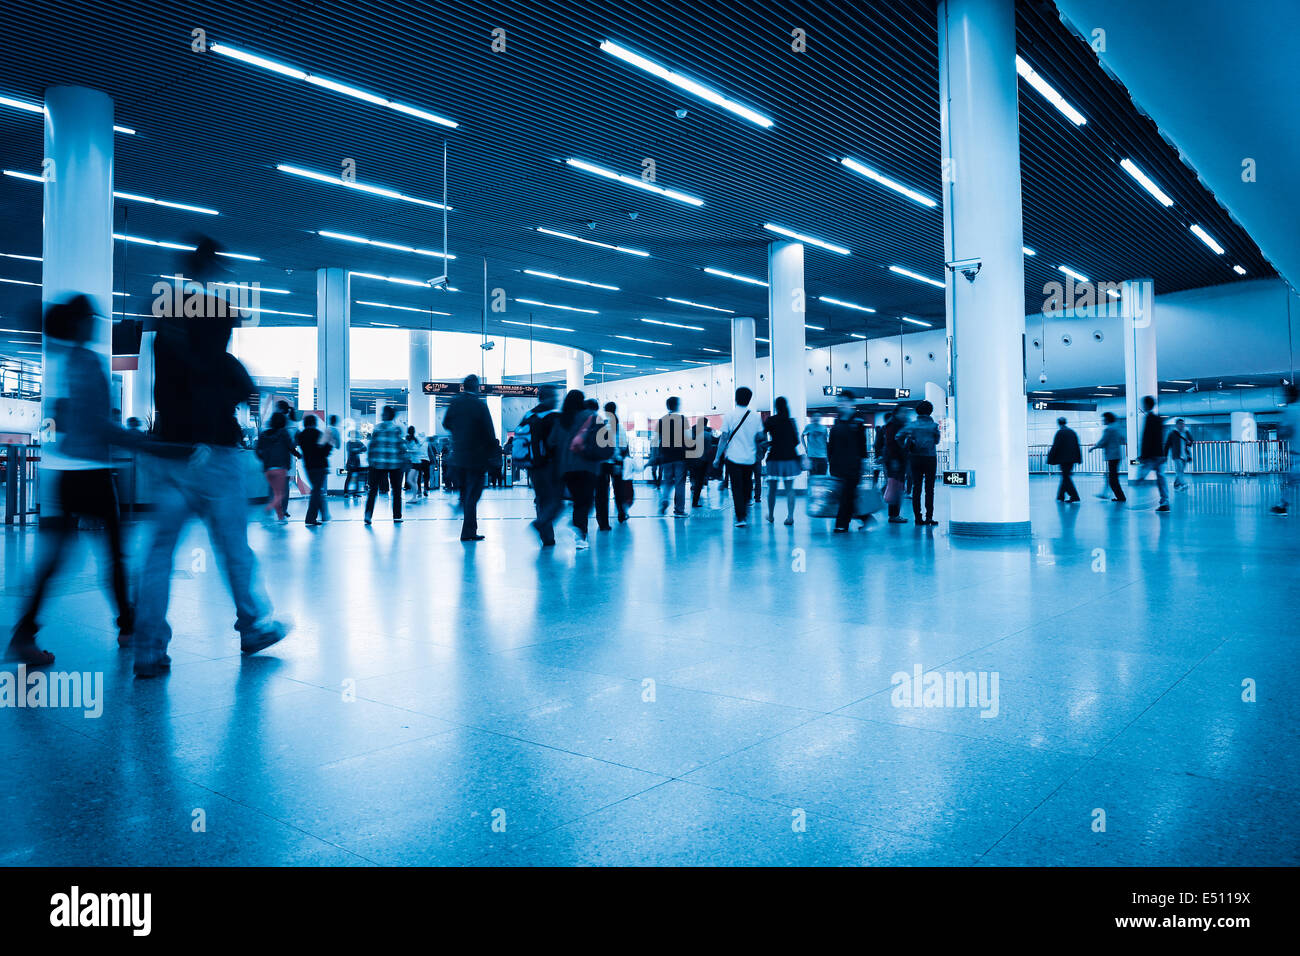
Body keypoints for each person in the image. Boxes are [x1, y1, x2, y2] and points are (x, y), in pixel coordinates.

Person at [133, 238, 287, 678]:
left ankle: (149, 649)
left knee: (159, 554)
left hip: (171, 451)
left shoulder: (164, 323)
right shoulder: (219, 330)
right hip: (215, 454)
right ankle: (253, 625)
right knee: (234, 548)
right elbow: (236, 381)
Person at [6, 297, 151, 666]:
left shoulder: (58, 361)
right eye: (91, 317)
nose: (96, 323)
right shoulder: (85, 362)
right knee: (113, 555)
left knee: (58, 560)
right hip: (90, 473)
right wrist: (144, 441)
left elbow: (64, 421)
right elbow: (95, 424)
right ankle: (127, 626)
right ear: (79, 323)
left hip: (63, 475)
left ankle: (26, 635)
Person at [442, 374, 496, 541]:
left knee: (467, 493)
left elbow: (446, 423)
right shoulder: (480, 405)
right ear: (477, 387)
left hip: (458, 457)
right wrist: (492, 453)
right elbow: (489, 432)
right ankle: (468, 531)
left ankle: (463, 512)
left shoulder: (455, 402)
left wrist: (459, 434)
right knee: (473, 495)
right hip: (476, 458)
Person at [548, 389, 600, 550]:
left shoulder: (560, 420)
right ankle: (579, 534)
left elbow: (551, 442)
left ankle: (577, 527)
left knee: (579, 500)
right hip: (587, 466)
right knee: (584, 502)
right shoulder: (591, 417)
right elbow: (603, 441)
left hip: (566, 468)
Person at [714, 387, 766, 527]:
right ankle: (746, 505)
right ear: (749, 399)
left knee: (736, 487)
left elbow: (724, 438)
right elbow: (761, 436)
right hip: (749, 458)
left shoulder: (729, 416)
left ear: (736, 398)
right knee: (747, 483)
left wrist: (717, 457)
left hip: (733, 457)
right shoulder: (755, 417)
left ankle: (740, 517)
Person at [520, 385, 562, 546]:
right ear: (548, 397)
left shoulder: (528, 415)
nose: (557, 400)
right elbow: (555, 442)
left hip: (532, 465)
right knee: (557, 501)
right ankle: (541, 524)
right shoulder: (552, 417)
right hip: (549, 465)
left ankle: (547, 537)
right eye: (555, 397)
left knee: (541, 499)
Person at [828, 391, 867, 533]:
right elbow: (831, 445)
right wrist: (830, 462)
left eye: (844, 401)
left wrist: (862, 465)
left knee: (847, 494)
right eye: (839, 401)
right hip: (837, 465)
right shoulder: (837, 422)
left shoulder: (858, 422)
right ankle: (864, 517)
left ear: (851, 403)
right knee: (846, 495)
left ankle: (842, 524)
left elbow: (862, 446)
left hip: (852, 466)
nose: (841, 404)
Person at [898, 400, 941, 526]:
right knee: (929, 489)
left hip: (915, 458)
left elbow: (898, 436)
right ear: (930, 411)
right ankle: (929, 518)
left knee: (917, 488)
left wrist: (906, 446)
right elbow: (937, 440)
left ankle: (918, 518)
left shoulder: (911, 425)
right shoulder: (933, 426)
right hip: (930, 458)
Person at [764, 396, 803, 526]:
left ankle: (770, 515)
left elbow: (762, 436)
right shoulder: (791, 421)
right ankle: (790, 517)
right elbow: (796, 441)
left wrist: (771, 442)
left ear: (776, 407)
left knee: (772, 489)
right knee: (789, 489)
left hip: (774, 457)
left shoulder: (770, 420)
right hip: (790, 458)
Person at [364, 405, 406, 525]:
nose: (381, 414)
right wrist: (403, 460)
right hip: (395, 464)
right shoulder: (397, 429)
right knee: (396, 491)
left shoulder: (377, 428)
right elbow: (401, 446)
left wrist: (370, 461)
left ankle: (368, 515)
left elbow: (372, 446)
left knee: (373, 490)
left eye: (383, 413)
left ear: (386, 415)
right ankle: (397, 516)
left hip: (378, 463)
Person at [256, 411, 296, 521]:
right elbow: (291, 447)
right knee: (280, 495)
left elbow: (258, 450)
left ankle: (281, 517)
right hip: (280, 468)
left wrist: (264, 459)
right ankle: (267, 509)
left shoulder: (264, 434)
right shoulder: (283, 433)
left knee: (276, 492)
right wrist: (299, 455)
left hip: (268, 469)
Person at [1134, 395, 1171, 512]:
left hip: (1151, 456)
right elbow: (1160, 438)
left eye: (1143, 404)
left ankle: (1135, 501)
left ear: (1146, 405)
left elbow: (1147, 438)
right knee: (1161, 478)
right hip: (1159, 455)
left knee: (1140, 476)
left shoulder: (1149, 419)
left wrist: (1143, 456)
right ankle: (1165, 502)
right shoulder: (1158, 419)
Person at [596, 400, 629, 529]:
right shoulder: (619, 426)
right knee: (619, 489)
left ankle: (603, 522)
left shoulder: (601, 424)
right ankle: (621, 512)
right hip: (617, 462)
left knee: (601, 493)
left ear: (605, 411)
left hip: (602, 463)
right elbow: (623, 446)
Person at [655, 396, 689, 518]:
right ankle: (679, 510)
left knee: (667, 481)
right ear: (677, 405)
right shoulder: (682, 419)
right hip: (680, 455)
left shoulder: (661, 420)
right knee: (680, 483)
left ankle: (664, 499)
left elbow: (657, 439)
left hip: (666, 455)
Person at [296, 414, 332, 525]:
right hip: (320, 466)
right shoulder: (318, 434)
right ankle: (310, 518)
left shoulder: (301, 436)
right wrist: (329, 443)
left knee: (317, 490)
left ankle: (324, 515)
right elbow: (325, 452)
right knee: (316, 492)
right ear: (314, 423)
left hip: (308, 466)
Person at [1271, 384, 1299, 515]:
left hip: (1298, 454)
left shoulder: (1291, 410)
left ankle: (1282, 506)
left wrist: (1279, 428)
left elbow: (1284, 432)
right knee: (1291, 481)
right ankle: (1282, 505)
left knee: (1290, 481)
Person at [881, 406, 911, 523]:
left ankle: (894, 514)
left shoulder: (899, 425)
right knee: (895, 487)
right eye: (903, 412)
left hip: (898, 460)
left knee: (897, 487)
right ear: (897, 413)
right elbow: (890, 444)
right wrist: (894, 460)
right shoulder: (893, 425)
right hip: (895, 460)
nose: (905, 414)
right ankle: (893, 515)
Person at [1091, 411, 1127, 502]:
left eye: (1104, 419)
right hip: (1117, 455)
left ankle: (1120, 497)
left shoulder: (1108, 429)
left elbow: (1103, 441)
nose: (1103, 421)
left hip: (1112, 456)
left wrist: (1093, 447)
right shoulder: (1117, 428)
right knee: (1112, 476)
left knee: (1112, 478)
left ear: (1107, 419)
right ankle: (1114, 495)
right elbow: (1123, 439)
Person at [1047, 416, 1083, 503]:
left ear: (1058, 423)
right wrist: (1079, 458)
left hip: (1063, 459)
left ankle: (1074, 496)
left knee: (1066, 477)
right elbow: (1077, 446)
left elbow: (1055, 446)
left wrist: (1050, 458)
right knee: (1065, 476)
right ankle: (1060, 496)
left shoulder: (1060, 432)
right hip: (1072, 459)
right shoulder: (1072, 432)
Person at [688, 416, 716, 509]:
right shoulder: (708, 433)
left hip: (692, 458)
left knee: (694, 477)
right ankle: (695, 502)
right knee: (700, 480)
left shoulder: (693, 431)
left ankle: (693, 487)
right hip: (703, 459)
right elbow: (712, 445)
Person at [1165, 418, 1193, 491]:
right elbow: (1167, 444)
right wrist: (1164, 456)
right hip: (1176, 455)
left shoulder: (1186, 432)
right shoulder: (1172, 433)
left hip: (1185, 455)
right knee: (1179, 470)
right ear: (1176, 425)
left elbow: (1191, 441)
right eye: (1180, 424)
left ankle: (1176, 485)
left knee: (1180, 471)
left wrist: (1189, 441)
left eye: (1183, 424)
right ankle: (1183, 484)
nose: (1182, 425)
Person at [344, 431, 366, 497]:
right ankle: (346, 492)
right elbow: (351, 450)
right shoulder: (349, 443)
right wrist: (358, 450)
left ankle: (355, 493)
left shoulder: (358, 442)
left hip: (356, 463)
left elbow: (365, 448)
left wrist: (356, 450)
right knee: (349, 478)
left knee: (356, 478)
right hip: (350, 463)